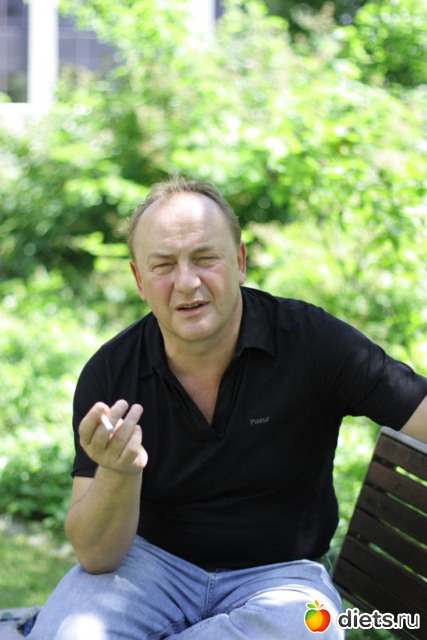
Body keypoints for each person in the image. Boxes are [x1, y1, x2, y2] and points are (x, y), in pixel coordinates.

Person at [29, 177, 427, 640]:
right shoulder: (111, 374)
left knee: (304, 631)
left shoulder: (312, 341)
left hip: (281, 577)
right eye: (163, 265)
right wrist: (119, 470)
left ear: (239, 262)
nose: (187, 282)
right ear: (139, 280)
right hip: (150, 568)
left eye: (205, 258)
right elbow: (97, 556)